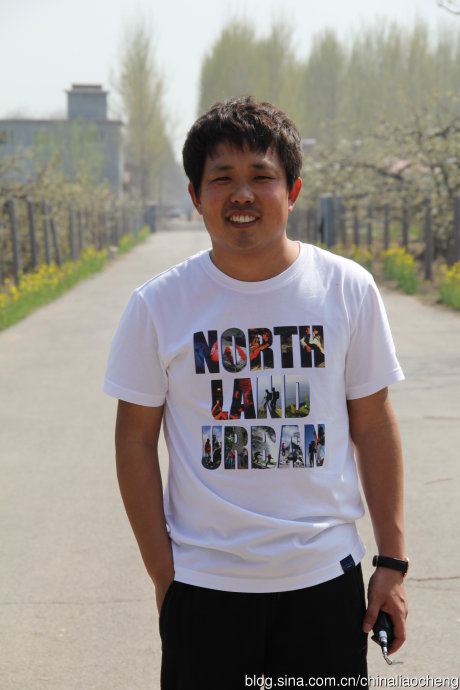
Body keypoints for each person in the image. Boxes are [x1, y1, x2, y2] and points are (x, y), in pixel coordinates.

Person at [104, 96, 408, 688]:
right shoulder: (159, 305)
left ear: (292, 191)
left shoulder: (347, 289)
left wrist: (391, 564)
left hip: (324, 582)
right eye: (222, 179)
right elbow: (134, 442)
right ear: (196, 197)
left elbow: (373, 426)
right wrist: (166, 578)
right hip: (204, 588)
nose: (242, 194)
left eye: (261, 177)